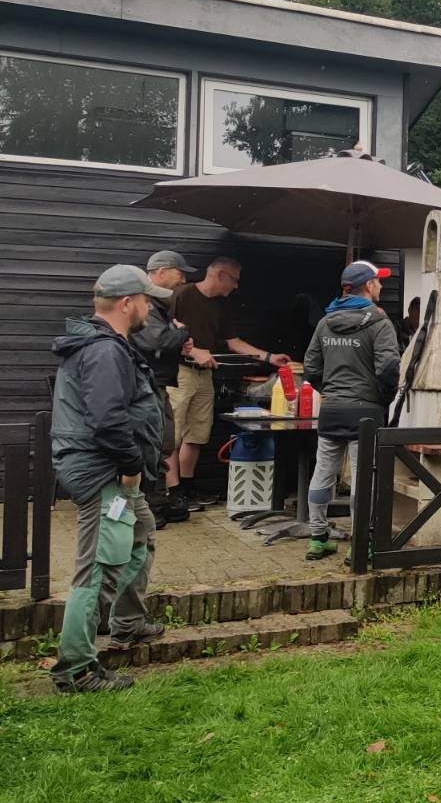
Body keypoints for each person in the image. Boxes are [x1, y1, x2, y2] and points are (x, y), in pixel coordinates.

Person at [49, 265, 169, 693]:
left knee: (141, 534)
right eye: (146, 300)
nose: (149, 307)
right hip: (106, 471)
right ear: (126, 303)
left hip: (113, 471)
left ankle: (128, 622)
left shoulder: (106, 345)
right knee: (98, 566)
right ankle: (75, 668)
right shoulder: (104, 351)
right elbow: (107, 420)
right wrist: (133, 466)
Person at [300, 261, 401, 560]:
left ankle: (318, 538)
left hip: (331, 409)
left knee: (323, 473)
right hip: (366, 413)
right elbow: (388, 369)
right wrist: (383, 399)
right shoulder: (380, 323)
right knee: (362, 477)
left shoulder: (325, 323)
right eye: (378, 281)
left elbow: (310, 368)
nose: (381, 286)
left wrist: (330, 393)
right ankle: (362, 544)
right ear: (368, 285)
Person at [168, 258, 289, 507]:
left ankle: (188, 487)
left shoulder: (222, 305)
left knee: (197, 433)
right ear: (221, 275)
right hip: (180, 372)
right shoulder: (182, 294)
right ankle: (172, 492)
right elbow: (162, 329)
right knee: (173, 434)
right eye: (234, 280)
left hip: (205, 375)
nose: (236, 286)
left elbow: (234, 342)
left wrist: (269, 357)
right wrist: (193, 351)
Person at [128, 250, 197, 527]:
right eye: (179, 273)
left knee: (163, 441)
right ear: (161, 271)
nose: (182, 279)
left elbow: (162, 341)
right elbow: (156, 340)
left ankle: (155, 503)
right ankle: (149, 508)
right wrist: (180, 332)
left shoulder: (156, 304)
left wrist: (178, 342)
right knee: (152, 444)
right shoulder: (144, 301)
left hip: (157, 382)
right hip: (147, 385)